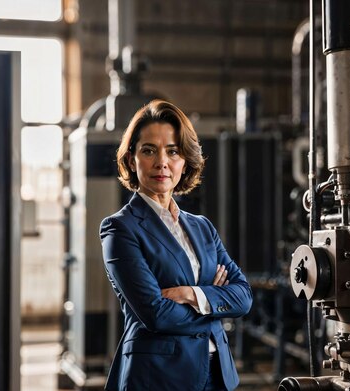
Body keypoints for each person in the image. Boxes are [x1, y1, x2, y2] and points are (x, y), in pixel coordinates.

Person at [99, 99, 252, 391]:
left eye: (173, 151)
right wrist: (214, 302)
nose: (162, 162)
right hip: (159, 376)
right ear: (131, 160)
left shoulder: (202, 227)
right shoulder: (120, 229)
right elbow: (155, 314)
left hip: (217, 374)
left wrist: (190, 294)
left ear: (185, 160)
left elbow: (243, 296)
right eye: (149, 150)